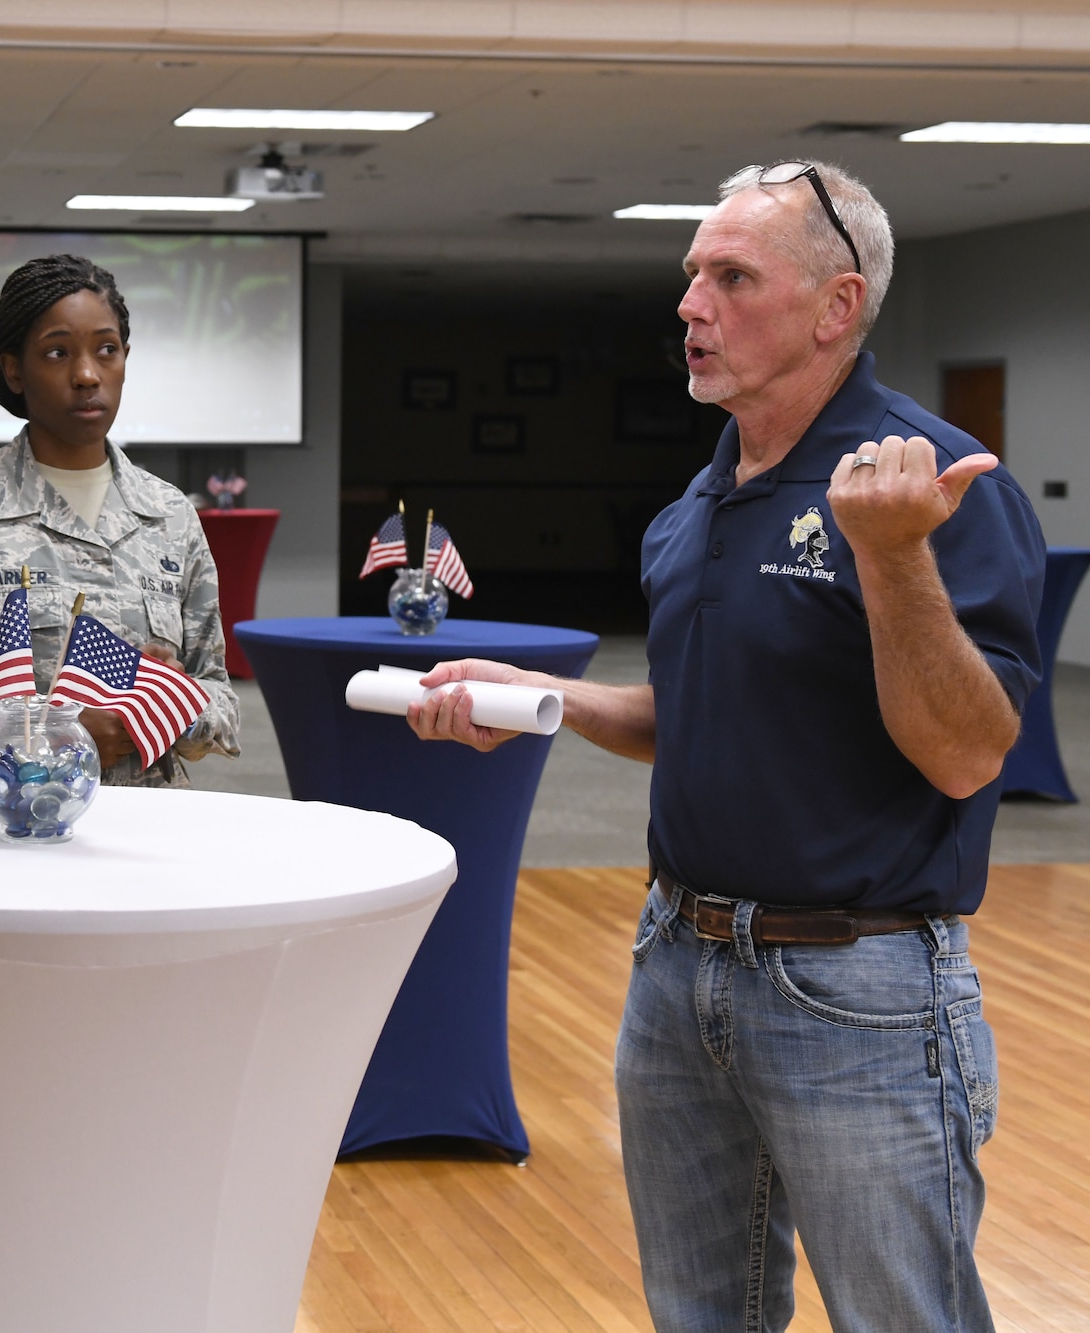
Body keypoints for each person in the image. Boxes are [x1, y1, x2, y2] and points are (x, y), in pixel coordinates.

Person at [406, 161, 1041, 1331]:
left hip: (857, 988)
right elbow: (701, 709)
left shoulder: (931, 485)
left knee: (901, 1315)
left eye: (730, 277)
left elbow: (964, 754)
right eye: (690, 275)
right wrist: (541, 695)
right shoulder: (696, 502)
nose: (690, 305)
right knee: (700, 1312)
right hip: (675, 967)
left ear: (833, 306)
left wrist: (889, 555)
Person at [0, 254, 239, 783]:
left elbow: (219, 694)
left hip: (144, 836)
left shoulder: (170, 515)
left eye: (107, 350)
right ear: (14, 369)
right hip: (3, 837)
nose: (86, 375)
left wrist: (175, 708)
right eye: (57, 353)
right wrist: (46, 733)